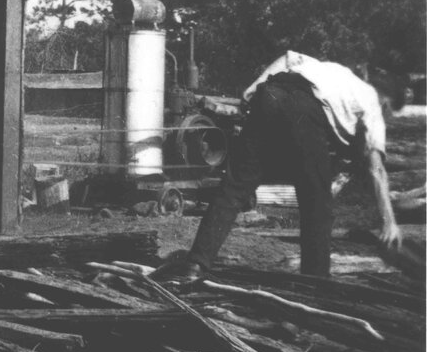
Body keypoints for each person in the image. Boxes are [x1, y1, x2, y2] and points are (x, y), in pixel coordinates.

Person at [154, 51, 403, 282]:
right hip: (306, 110)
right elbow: (376, 168)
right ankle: (316, 284)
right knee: (317, 204)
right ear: (386, 100)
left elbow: (288, 57)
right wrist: (389, 222)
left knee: (233, 188)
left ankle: (195, 265)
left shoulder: (335, 71)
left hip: (269, 95)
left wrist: (251, 90)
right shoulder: (372, 102)